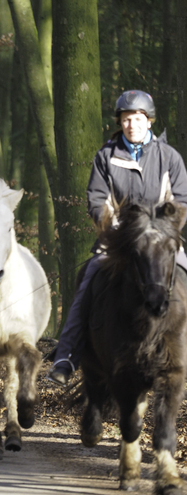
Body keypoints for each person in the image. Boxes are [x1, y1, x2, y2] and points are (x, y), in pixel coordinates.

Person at [47, 89, 187, 385]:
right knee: (88, 281)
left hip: (161, 240)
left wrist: (164, 227)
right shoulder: (106, 156)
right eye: (126, 119)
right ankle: (67, 355)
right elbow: (97, 199)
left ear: (148, 121)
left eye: (137, 118)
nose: (131, 124)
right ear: (120, 122)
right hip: (119, 241)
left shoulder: (168, 157)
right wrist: (113, 230)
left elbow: (182, 201)